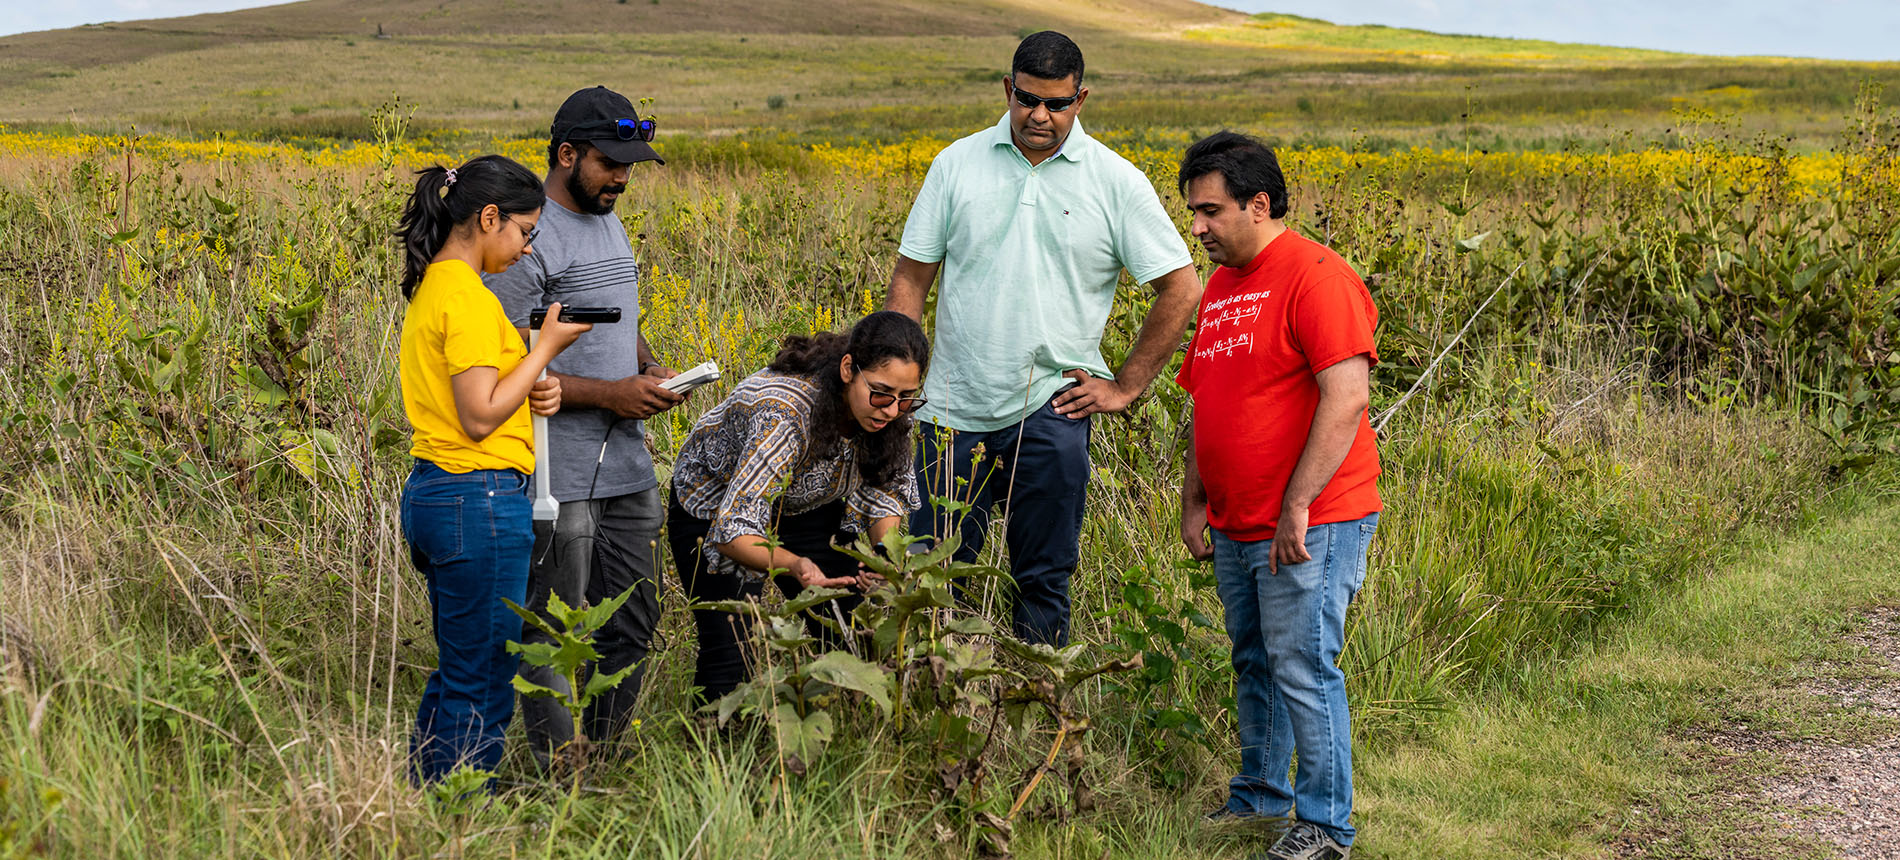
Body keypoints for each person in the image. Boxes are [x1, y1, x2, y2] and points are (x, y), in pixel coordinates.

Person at [885, 30, 1200, 646]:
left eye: (1056, 103)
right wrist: (900, 386)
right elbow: (911, 277)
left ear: (1081, 99)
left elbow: (1182, 287)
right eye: (1027, 99)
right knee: (930, 574)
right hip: (948, 406)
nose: (1039, 115)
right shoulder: (957, 163)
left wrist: (1126, 386)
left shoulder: (1116, 181)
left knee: (1043, 578)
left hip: (1051, 408)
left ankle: (1036, 714)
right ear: (1007, 89)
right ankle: (933, 712)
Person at [1176, 131, 1382, 860]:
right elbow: (1207, 398)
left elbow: (1346, 396)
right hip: (1237, 518)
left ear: (1258, 204)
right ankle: (1261, 798)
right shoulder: (1225, 285)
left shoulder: (1317, 276)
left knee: (1302, 664)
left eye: (1209, 211)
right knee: (1255, 660)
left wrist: (1297, 503)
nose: (1197, 227)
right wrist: (1195, 497)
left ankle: (1325, 826)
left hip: (1312, 519)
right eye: (1192, 212)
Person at [485, 85, 686, 768]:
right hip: (554, 472)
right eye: (610, 164)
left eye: (631, 166)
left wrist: (649, 369)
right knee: (550, 627)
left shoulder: (607, 219)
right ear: (566, 153)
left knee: (633, 619)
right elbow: (507, 367)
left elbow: (612, 322)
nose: (623, 180)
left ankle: (602, 754)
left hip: (625, 464)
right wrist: (611, 394)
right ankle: (555, 770)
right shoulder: (526, 239)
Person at [394, 154, 592, 785]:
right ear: (488, 218)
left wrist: (535, 380)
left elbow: (480, 397)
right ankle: (457, 814)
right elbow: (479, 416)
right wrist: (546, 350)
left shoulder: (437, 288)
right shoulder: (471, 301)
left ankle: (425, 800)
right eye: (524, 231)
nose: (529, 248)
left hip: (441, 492)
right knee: (482, 681)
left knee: (463, 667)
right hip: (475, 498)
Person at [667, 311, 928, 704]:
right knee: (731, 647)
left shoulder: (887, 414)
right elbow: (733, 531)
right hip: (714, 504)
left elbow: (885, 489)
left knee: (850, 628)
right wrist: (794, 564)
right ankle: (714, 747)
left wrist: (885, 556)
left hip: (803, 503)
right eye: (881, 393)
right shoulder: (784, 413)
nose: (892, 410)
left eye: (906, 398)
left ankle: (840, 728)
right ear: (847, 370)